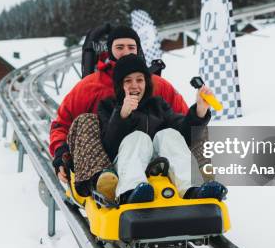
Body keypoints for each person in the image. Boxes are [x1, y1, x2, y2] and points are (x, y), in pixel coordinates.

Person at [49, 26, 189, 190]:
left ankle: (191, 184)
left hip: (155, 155)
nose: (126, 52)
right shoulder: (90, 86)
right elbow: (62, 123)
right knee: (86, 120)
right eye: (119, 47)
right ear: (110, 51)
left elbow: (183, 120)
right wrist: (61, 154)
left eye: (131, 47)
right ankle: (100, 179)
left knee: (168, 134)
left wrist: (199, 117)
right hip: (107, 155)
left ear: (138, 50)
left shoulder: (157, 85)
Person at [97, 54, 227, 204]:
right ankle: (130, 193)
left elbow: (183, 133)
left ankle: (192, 189)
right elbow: (109, 146)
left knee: (169, 134)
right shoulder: (108, 106)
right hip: (126, 165)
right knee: (138, 138)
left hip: (159, 166)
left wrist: (200, 110)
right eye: (128, 81)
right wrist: (122, 114)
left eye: (139, 80)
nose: (134, 85)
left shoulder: (157, 105)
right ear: (120, 85)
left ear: (146, 82)